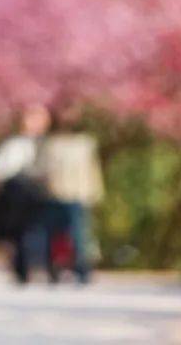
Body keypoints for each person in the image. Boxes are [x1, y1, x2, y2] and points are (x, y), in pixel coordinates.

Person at [0, 105, 53, 283]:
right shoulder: (13, 144)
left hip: (43, 193)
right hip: (18, 192)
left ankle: (44, 266)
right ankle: (22, 268)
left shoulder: (50, 144)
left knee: (41, 231)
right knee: (20, 232)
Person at [33, 112, 104, 283]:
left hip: (77, 195)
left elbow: (92, 169)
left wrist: (96, 192)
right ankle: (54, 269)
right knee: (53, 235)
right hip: (53, 194)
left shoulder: (85, 144)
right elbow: (39, 169)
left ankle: (82, 269)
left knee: (79, 235)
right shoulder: (49, 144)